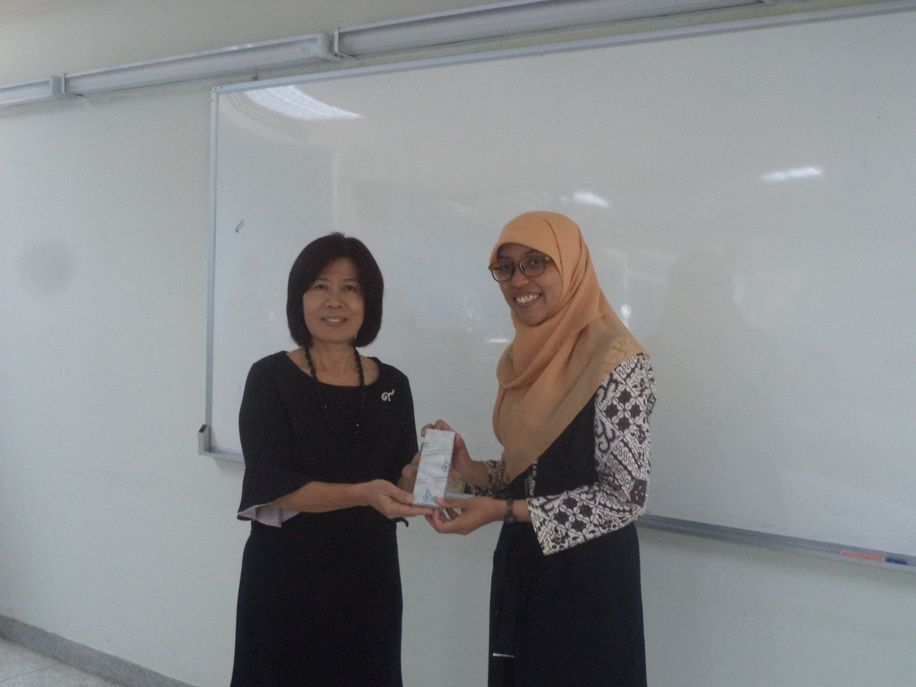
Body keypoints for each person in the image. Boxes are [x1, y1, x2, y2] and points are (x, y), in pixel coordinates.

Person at [427, 211, 656, 687]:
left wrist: (504, 511)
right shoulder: (520, 358)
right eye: (505, 267)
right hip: (523, 566)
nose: (519, 280)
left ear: (570, 266)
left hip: (588, 579)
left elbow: (624, 498)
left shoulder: (618, 360)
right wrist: (470, 470)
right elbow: (531, 469)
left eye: (536, 262)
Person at [230, 233, 431, 687]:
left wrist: (419, 475)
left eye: (350, 288)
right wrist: (364, 493)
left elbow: (399, 482)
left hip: (369, 580)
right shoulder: (269, 378)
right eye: (320, 286)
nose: (334, 301)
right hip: (286, 579)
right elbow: (275, 485)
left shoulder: (393, 385)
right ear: (299, 298)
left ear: (368, 302)